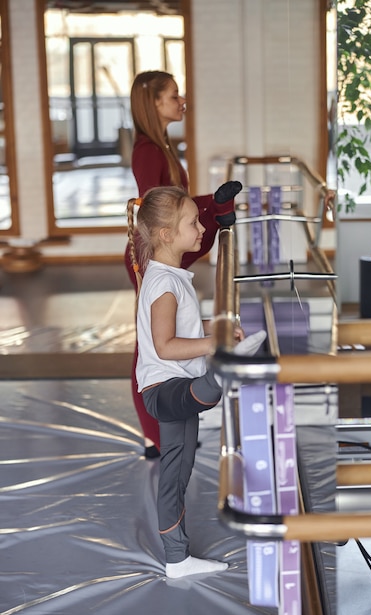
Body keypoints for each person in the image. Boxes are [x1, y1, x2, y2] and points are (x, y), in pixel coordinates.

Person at [126, 186, 266, 579]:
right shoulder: (164, 284)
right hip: (164, 390)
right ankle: (225, 369)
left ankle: (177, 558)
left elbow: (182, 328)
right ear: (167, 235)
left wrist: (218, 327)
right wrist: (215, 343)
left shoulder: (170, 277)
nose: (202, 227)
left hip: (176, 387)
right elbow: (166, 345)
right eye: (193, 222)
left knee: (177, 471)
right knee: (210, 390)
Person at [125, 70, 242, 458]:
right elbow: (160, 215)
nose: (182, 101)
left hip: (161, 248)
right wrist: (211, 207)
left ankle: (163, 426)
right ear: (154, 103)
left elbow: (180, 208)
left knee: (164, 334)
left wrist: (213, 203)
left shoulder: (163, 146)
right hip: (150, 256)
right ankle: (153, 434)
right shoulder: (148, 151)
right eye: (174, 96)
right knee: (150, 344)